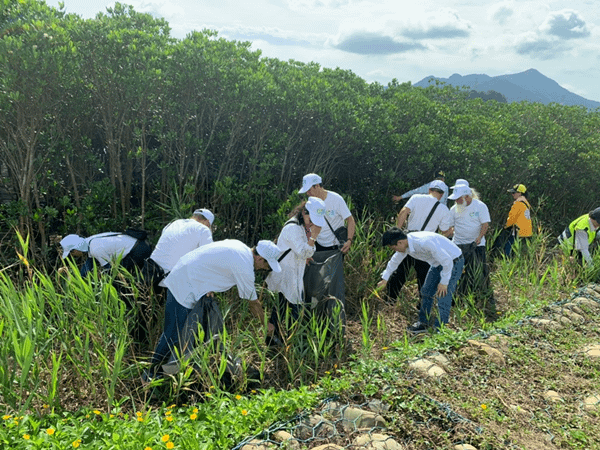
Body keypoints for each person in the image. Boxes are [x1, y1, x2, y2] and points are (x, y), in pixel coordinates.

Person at [144, 239, 281, 381]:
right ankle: (149, 375)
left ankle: (170, 375)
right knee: (173, 334)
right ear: (259, 258)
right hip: (184, 285)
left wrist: (208, 284)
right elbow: (253, 303)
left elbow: (211, 262)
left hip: (187, 277)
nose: (265, 269)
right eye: (267, 265)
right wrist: (266, 325)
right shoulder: (244, 265)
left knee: (184, 335)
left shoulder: (240, 247)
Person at [377, 228, 464, 333]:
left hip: (453, 261)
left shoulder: (423, 243)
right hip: (437, 263)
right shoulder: (406, 245)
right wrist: (384, 280)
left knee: (443, 295)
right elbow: (394, 261)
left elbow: (447, 261)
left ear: (399, 242)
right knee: (426, 291)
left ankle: (441, 329)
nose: (395, 250)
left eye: (394, 248)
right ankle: (423, 323)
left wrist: (444, 282)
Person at [265, 197, 326, 345]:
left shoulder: (303, 227)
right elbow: (305, 251)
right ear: (304, 212)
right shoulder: (293, 228)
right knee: (291, 311)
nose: (312, 222)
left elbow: (305, 251)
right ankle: (290, 344)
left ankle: (276, 342)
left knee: (280, 311)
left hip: (292, 275)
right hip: (285, 276)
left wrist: (306, 250)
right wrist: (314, 237)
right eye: (310, 217)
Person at [385, 180, 452, 303]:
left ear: (429, 190)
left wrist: (398, 232)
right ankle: (422, 305)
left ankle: (389, 300)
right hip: (426, 245)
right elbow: (444, 232)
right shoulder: (443, 209)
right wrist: (452, 230)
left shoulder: (416, 198)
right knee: (424, 276)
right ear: (442, 195)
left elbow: (403, 212)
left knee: (400, 272)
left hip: (408, 240)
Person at [298, 173, 355, 309]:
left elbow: (350, 220)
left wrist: (349, 240)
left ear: (317, 186)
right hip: (316, 247)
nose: (308, 193)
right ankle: (317, 314)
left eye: (310, 189)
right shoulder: (310, 202)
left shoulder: (336, 199)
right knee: (315, 284)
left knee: (333, 285)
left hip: (335, 248)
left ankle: (333, 314)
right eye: (306, 191)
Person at [446, 184, 497, 321]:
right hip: (458, 245)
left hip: (476, 245)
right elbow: (450, 228)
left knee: (479, 272)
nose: (456, 201)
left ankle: (484, 299)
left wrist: (479, 237)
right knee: (458, 273)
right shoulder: (454, 209)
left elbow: (485, 224)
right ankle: (457, 299)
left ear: (466, 196)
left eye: (458, 198)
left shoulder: (480, 206)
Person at [143, 208, 215, 289]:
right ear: (207, 222)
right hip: (171, 283)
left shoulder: (173, 223)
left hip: (150, 275)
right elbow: (208, 259)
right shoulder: (203, 229)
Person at [60, 231, 152, 277]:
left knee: (119, 278)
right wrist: (80, 279)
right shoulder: (90, 242)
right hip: (140, 245)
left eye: (71, 253)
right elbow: (88, 264)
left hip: (138, 250)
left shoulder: (95, 249)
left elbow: (110, 269)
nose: (72, 256)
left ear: (75, 249)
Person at [503, 184, 532, 256]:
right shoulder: (526, 203)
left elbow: (511, 219)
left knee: (508, 250)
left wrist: (505, 227)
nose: (512, 194)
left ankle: (508, 262)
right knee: (522, 253)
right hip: (527, 233)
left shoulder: (518, 204)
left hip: (518, 232)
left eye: (514, 192)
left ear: (520, 193)